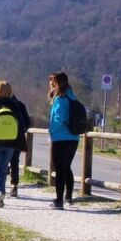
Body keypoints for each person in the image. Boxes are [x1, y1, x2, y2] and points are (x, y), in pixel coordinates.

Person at [47, 71, 80, 209]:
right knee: (67, 168)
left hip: (60, 138)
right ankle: (69, 197)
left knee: (59, 169)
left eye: (52, 82)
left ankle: (59, 200)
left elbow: (58, 119)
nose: (50, 85)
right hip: (73, 137)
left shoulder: (60, 99)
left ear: (57, 83)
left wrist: (51, 131)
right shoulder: (73, 98)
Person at [4, 91, 31, 197]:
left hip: (3, 138)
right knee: (15, 161)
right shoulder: (20, 105)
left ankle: (0, 187)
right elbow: (27, 122)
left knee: (2, 162)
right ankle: (14, 185)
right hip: (17, 138)